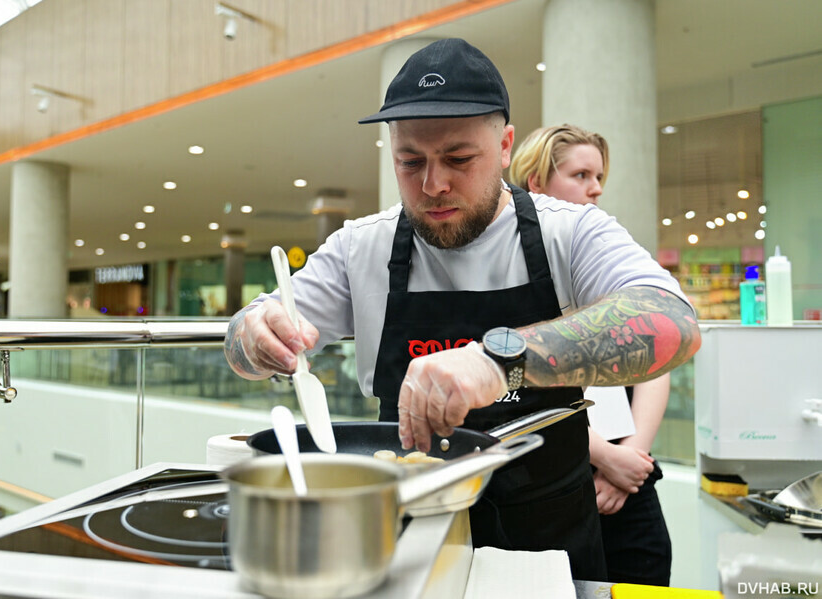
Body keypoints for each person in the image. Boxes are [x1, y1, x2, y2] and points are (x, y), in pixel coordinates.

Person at [223, 38, 701, 582]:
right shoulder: (363, 248)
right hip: (403, 536)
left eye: (458, 158)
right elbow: (239, 340)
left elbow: (673, 324)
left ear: (504, 147)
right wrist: (254, 337)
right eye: (410, 162)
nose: (433, 184)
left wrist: (499, 363)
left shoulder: (567, 231)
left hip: (549, 542)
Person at [509, 124, 673, 586]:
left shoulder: (609, 259)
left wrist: (631, 458)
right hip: (550, 476)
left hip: (629, 474)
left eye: (599, 176)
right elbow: (508, 393)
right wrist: (605, 458)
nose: (596, 187)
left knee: (646, 576)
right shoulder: (509, 268)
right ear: (537, 182)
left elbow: (655, 362)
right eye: (581, 174)